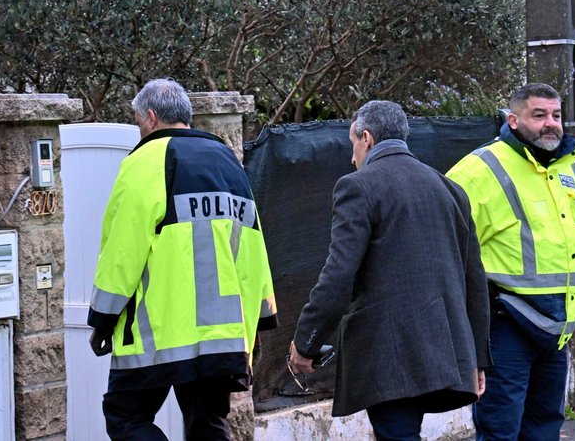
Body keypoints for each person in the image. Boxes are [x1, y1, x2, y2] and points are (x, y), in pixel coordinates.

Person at [87, 78, 278, 440]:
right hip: (222, 336)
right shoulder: (227, 161)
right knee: (208, 425)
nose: (139, 130)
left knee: (125, 417)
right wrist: (259, 317)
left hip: (158, 332)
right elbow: (252, 244)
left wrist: (102, 318)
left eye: (138, 122)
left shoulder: (146, 160)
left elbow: (123, 250)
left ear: (151, 117)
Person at [288, 100, 491, 441]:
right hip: (448, 351)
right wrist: (477, 359)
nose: (352, 157)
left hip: (388, 354)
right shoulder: (450, 189)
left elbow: (338, 277)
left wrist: (307, 343)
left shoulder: (357, 186)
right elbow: (474, 280)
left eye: (353, 144)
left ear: (366, 138)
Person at [447, 83, 575, 440]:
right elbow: (447, 244)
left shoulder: (566, 165)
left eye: (556, 115)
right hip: (507, 324)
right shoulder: (480, 169)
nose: (551, 123)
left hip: (557, 327)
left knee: (545, 426)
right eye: (539, 115)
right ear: (513, 120)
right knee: (501, 429)